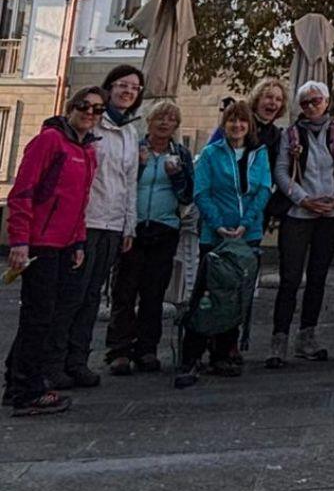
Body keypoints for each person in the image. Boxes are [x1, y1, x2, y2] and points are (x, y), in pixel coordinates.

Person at [3, 87, 105, 417]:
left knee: (46, 316)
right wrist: (19, 240)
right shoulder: (49, 141)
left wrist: (78, 242)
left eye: (97, 109)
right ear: (70, 107)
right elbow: (23, 192)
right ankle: (27, 391)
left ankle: (16, 381)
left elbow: (79, 203)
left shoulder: (87, 151)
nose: (90, 113)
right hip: (40, 243)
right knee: (38, 317)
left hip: (64, 245)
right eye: (84, 106)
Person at [46, 65, 142, 391]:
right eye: (123, 85)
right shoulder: (92, 123)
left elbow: (129, 182)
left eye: (135, 88)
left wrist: (129, 224)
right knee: (71, 295)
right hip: (85, 221)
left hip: (113, 225)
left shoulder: (130, 132)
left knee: (92, 297)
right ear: (109, 87)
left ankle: (78, 360)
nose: (128, 92)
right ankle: (54, 363)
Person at [179, 100, 272, 387]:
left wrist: (246, 223)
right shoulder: (211, 153)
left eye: (242, 121)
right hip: (215, 234)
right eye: (232, 120)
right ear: (224, 124)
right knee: (206, 293)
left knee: (235, 295)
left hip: (247, 234)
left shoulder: (259, 154)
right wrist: (218, 224)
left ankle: (223, 351)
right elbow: (202, 191)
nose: (237, 125)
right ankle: (192, 353)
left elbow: (263, 190)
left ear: (249, 125)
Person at [105, 101, 194, 376]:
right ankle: (119, 350)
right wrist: (141, 167)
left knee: (154, 293)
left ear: (176, 125)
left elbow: (188, 194)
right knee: (124, 290)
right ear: (150, 121)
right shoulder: (135, 149)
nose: (164, 123)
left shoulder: (181, 154)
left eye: (170, 119)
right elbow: (122, 185)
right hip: (132, 228)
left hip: (164, 228)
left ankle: (147, 348)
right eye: (159, 118)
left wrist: (176, 176)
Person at [269, 80, 334, 368]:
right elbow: (281, 172)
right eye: (305, 102)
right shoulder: (291, 133)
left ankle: (307, 336)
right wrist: (302, 199)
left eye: (316, 101)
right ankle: (279, 338)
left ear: (326, 102)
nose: (311, 106)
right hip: (298, 214)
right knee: (290, 278)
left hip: (328, 215)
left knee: (318, 277)